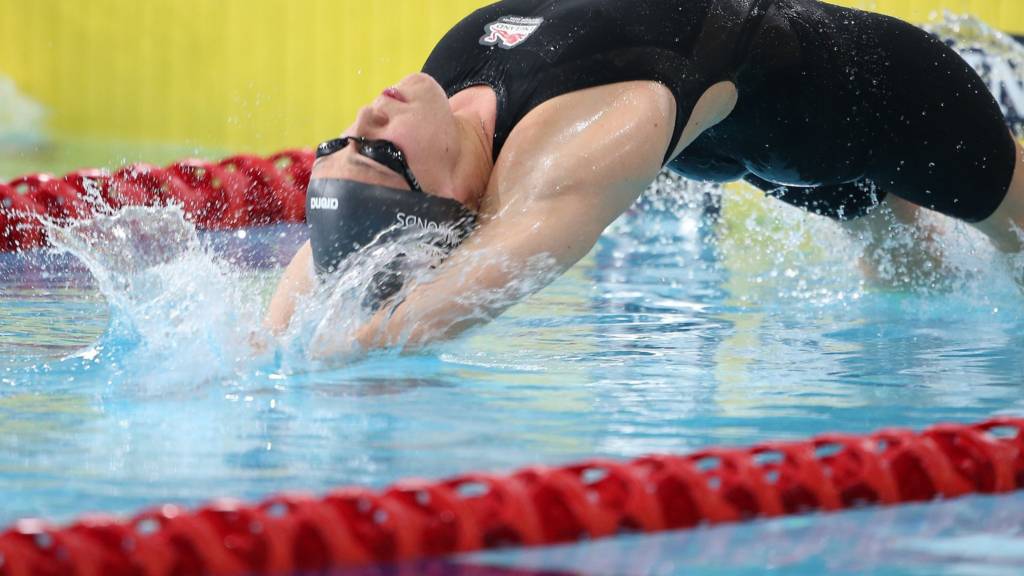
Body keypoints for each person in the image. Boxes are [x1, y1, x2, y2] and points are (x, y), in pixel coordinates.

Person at [264, 0, 1024, 358]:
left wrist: (265, 345)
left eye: (347, 137)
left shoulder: (456, 76)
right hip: (892, 99)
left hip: (770, 127)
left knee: (908, 263)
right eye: (382, 150)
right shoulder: (573, 147)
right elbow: (480, 279)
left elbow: (343, 253)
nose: (370, 116)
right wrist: (353, 354)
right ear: (451, 198)